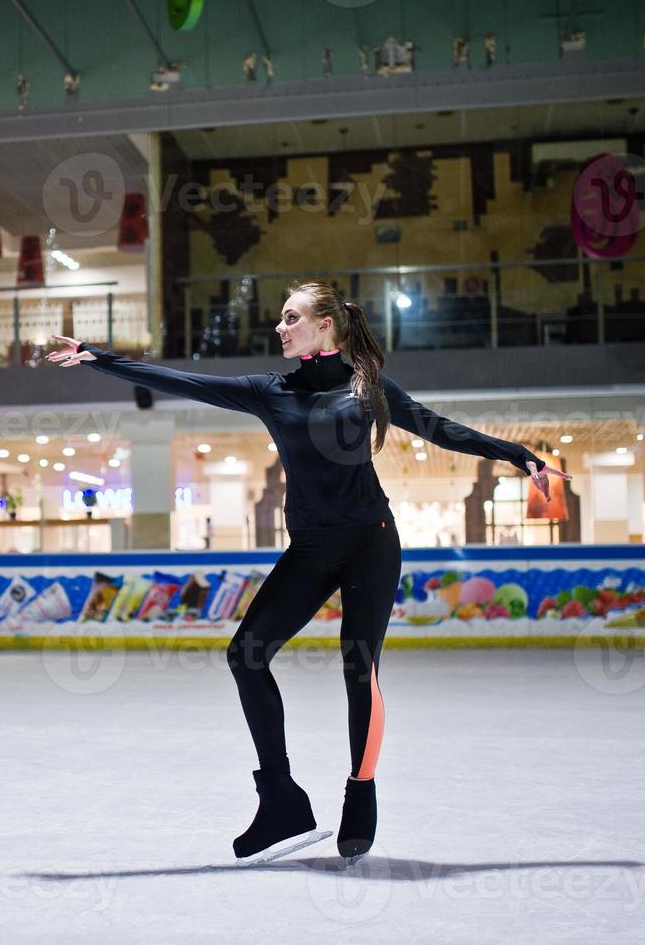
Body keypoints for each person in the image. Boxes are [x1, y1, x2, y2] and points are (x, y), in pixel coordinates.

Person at [47, 280, 570, 866]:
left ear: (325, 326)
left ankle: (360, 792)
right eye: (280, 316)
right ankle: (281, 800)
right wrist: (98, 358)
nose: (279, 327)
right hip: (312, 548)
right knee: (246, 653)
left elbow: (439, 428)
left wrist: (521, 457)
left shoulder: (369, 388)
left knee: (358, 666)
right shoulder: (270, 392)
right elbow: (182, 381)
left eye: (290, 316)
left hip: (372, 544)